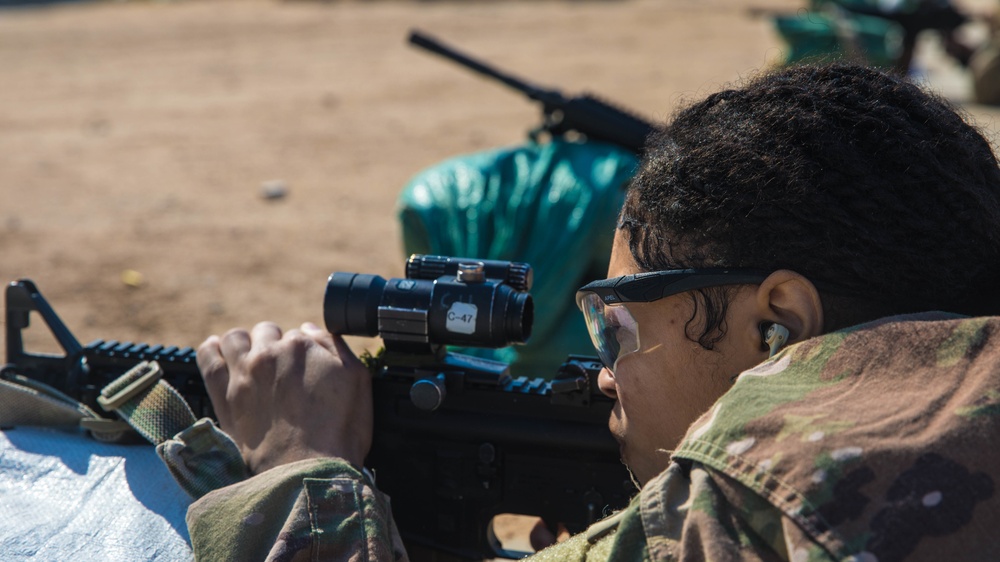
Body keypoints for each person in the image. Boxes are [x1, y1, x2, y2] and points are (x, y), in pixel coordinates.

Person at [159, 62, 1000, 561]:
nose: (601, 373)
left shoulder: (764, 504)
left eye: (619, 326)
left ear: (776, 323)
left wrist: (293, 472)